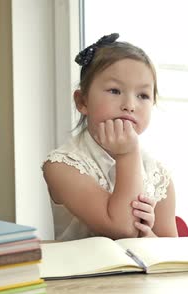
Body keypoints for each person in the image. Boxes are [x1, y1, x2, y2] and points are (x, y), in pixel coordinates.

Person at [42, 33, 177, 241]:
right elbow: (122, 228)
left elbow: (171, 256)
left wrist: (146, 232)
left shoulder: (159, 177)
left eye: (143, 95)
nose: (130, 105)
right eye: (115, 90)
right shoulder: (62, 166)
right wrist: (127, 155)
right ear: (82, 101)